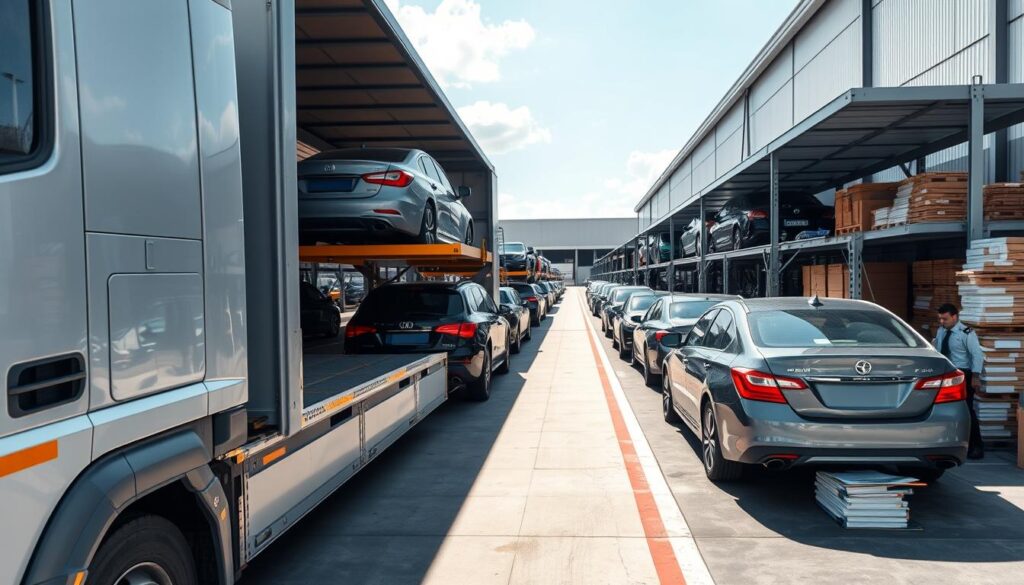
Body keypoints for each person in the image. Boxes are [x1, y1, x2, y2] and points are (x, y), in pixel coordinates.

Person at [933, 303, 984, 459]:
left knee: (967, 410)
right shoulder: (941, 331)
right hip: (945, 374)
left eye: (945, 319)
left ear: (955, 317)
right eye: (940, 319)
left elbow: (977, 355)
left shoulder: (966, 333)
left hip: (963, 374)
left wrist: (975, 376)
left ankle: (976, 446)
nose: (942, 322)